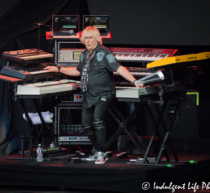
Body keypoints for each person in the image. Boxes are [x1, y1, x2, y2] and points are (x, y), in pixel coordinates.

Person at [44, 26, 143, 164]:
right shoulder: (84, 54)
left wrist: (134, 80)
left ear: (96, 39)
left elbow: (118, 68)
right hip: (88, 94)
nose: (88, 40)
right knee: (86, 125)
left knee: (97, 121)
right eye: (86, 38)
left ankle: (101, 153)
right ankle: (97, 150)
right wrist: (59, 69)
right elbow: (78, 71)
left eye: (91, 38)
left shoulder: (105, 52)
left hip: (104, 93)